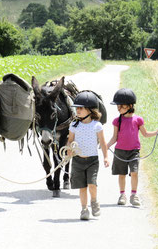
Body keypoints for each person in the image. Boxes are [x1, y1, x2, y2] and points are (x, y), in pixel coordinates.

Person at [107, 88, 158, 207]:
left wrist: (157, 132)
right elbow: (114, 137)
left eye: (121, 106)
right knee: (121, 174)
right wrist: (106, 146)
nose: (118, 108)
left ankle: (134, 195)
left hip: (134, 151)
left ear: (129, 106)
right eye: (117, 106)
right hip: (120, 151)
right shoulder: (117, 121)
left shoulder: (138, 120)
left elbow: (145, 134)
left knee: (134, 172)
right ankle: (122, 195)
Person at [67, 91, 109, 220]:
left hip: (92, 161)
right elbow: (70, 140)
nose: (77, 111)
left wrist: (106, 157)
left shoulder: (97, 125)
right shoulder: (73, 125)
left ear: (90, 110)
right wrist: (69, 148)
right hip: (78, 160)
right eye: (77, 108)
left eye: (81, 108)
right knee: (82, 187)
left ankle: (94, 201)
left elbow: (102, 142)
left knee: (92, 184)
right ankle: (84, 209)